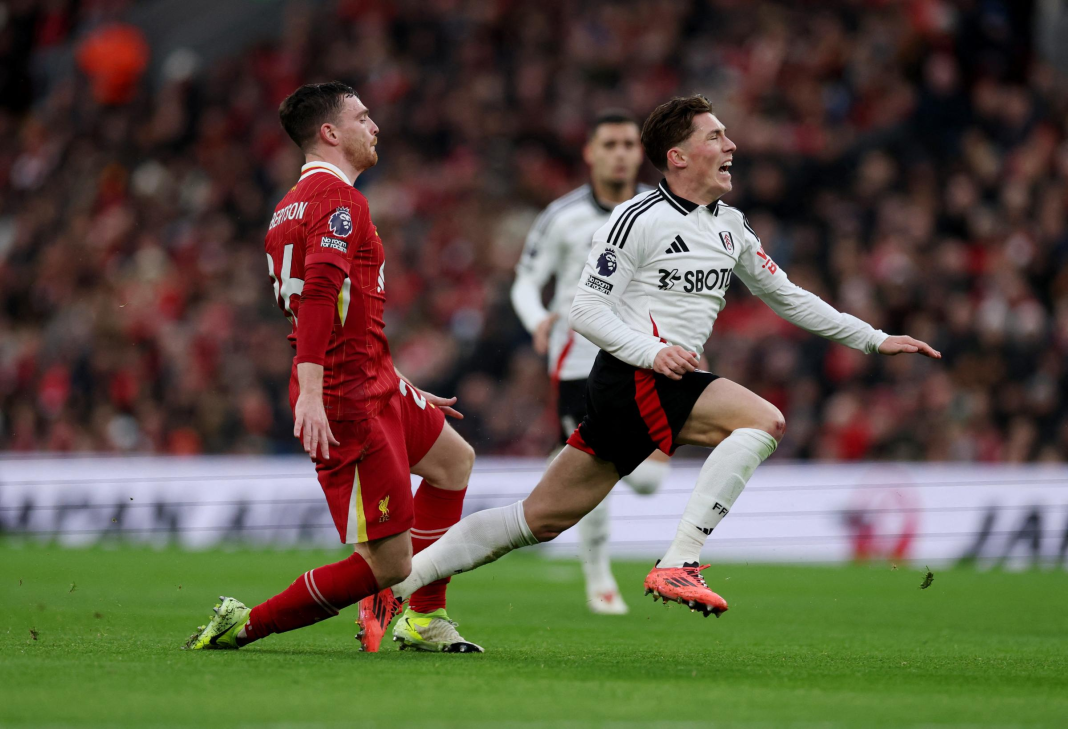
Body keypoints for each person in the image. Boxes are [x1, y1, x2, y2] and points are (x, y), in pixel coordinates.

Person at [359, 94, 941, 632]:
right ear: (678, 156)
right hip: (635, 376)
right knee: (763, 421)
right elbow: (585, 309)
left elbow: (786, 295)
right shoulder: (638, 218)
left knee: (537, 519)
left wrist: (874, 339)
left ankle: (392, 583)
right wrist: (652, 351)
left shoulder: (729, 226)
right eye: (716, 137)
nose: (731, 146)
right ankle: (681, 560)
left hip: (653, 381)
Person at [183, 82, 482, 654]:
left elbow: (345, 310)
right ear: (330, 133)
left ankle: (423, 619)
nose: (374, 127)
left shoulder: (286, 208)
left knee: (452, 460)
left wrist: (399, 381)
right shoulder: (341, 200)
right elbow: (320, 294)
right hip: (347, 394)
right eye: (362, 117)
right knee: (390, 563)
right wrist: (314, 394)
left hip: (372, 378)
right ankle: (243, 625)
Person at [510, 110, 669, 614]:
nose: (621, 153)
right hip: (578, 362)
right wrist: (537, 317)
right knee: (592, 477)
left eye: (628, 144)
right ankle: (599, 576)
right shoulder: (562, 216)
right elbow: (525, 281)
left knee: (645, 481)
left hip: (646, 356)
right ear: (591, 153)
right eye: (611, 144)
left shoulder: (661, 210)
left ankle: (568, 456)